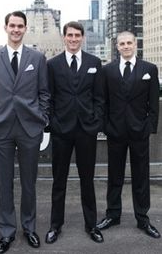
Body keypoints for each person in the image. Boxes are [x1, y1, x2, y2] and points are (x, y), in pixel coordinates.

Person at [0, 11, 50, 253]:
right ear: (5, 27)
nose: (16, 29)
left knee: (29, 182)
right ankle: (7, 232)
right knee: (4, 183)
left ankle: (29, 228)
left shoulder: (37, 58)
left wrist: (41, 118)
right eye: (12, 25)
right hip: (0, 129)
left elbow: (44, 93)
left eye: (20, 26)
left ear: (25, 28)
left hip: (30, 128)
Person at [45, 21, 104, 245]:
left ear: (83, 38)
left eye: (77, 35)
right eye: (69, 35)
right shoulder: (52, 65)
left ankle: (92, 225)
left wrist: (95, 122)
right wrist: (53, 122)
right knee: (58, 181)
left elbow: (99, 97)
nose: (73, 39)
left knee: (87, 180)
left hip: (86, 131)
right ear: (64, 37)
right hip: (61, 131)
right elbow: (48, 97)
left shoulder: (94, 63)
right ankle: (55, 225)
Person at [97, 31, 161, 239]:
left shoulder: (149, 69)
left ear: (136, 44)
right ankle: (113, 214)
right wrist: (106, 126)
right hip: (115, 131)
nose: (125, 46)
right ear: (117, 47)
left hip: (139, 132)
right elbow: (103, 102)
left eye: (129, 43)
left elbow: (153, 103)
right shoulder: (107, 71)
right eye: (121, 44)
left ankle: (142, 218)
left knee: (141, 177)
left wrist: (149, 127)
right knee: (114, 176)